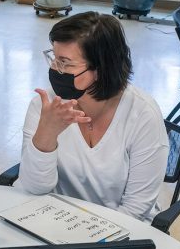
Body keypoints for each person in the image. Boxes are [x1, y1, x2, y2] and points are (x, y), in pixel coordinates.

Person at [16, 11, 169, 222]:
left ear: (100, 69)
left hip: (121, 228)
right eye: (54, 58)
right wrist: (46, 134)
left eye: (65, 63)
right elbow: (33, 188)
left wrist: (83, 236)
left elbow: (134, 210)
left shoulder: (143, 116)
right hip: (55, 219)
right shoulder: (45, 106)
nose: (55, 69)